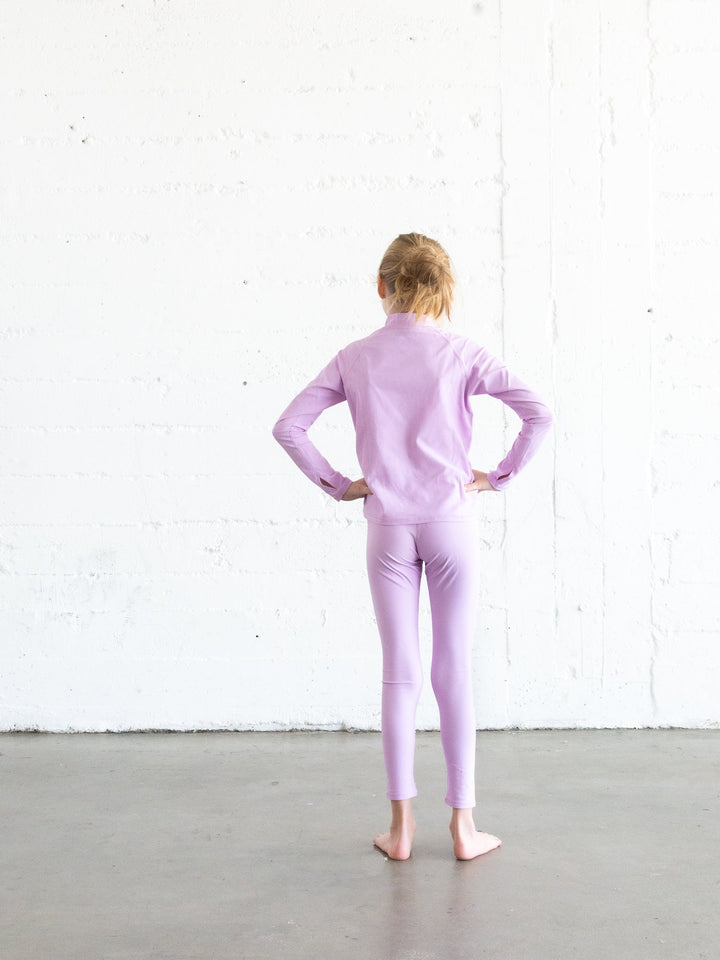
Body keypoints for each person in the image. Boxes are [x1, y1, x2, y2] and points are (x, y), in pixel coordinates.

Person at [272, 232, 553, 861]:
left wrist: (340, 485)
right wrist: (497, 476)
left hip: (388, 526)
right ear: (442, 287)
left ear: (382, 285)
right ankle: (464, 828)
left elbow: (289, 427)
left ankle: (400, 830)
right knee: (453, 669)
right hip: (451, 522)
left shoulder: (354, 357)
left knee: (399, 673)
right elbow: (539, 413)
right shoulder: (462, 352)